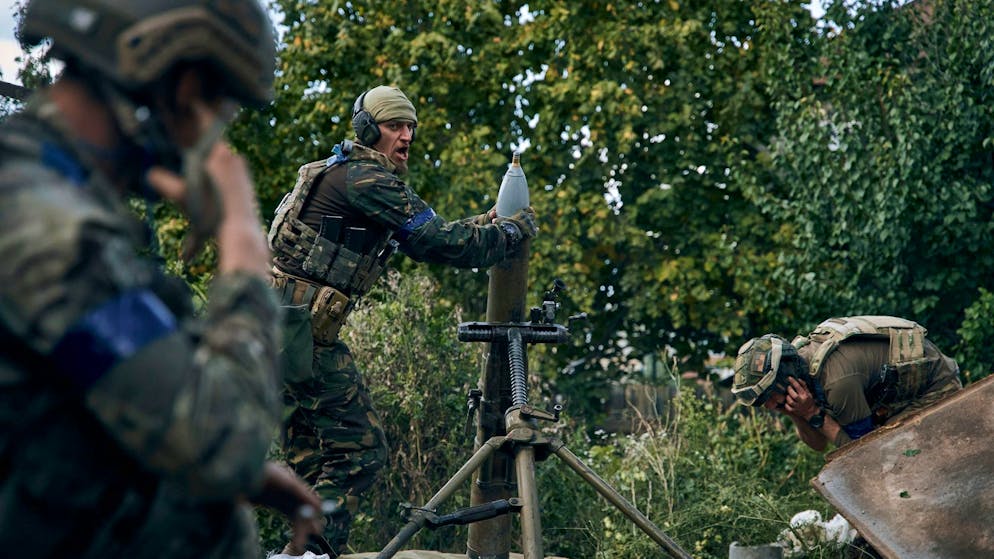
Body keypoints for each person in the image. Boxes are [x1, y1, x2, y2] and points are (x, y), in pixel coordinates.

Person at [0, 1, 324, 557]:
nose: (214, 131)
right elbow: (226, 439)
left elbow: (74, 391)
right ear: (179, 84)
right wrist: (243, 235)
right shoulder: (46, 227)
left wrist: (236, 473)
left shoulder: (40, 189)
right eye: (216, 104)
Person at [267, 84, 538, 554]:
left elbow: (421, 236)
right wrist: (510, 232)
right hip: (297, 334)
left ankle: (301, 552)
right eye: (395, 125)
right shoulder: (368, 181)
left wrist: (486, 222)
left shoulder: (345, 174)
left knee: (311, 457)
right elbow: (439, 242)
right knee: (361, 448)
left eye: (410, 126)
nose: (406, 135)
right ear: (369, 130)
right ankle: (310, 553)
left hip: (277, 327)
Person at [732, 315, 962, 452]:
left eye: (770, 396)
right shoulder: (803, 365)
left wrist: (813, 413)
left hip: (934, 387)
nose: (770, 406)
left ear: (786, 376)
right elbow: (819, 445)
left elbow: (863, 453)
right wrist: (795, 412)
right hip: (893, 399)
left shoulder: (836, 383)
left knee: (897, 455)